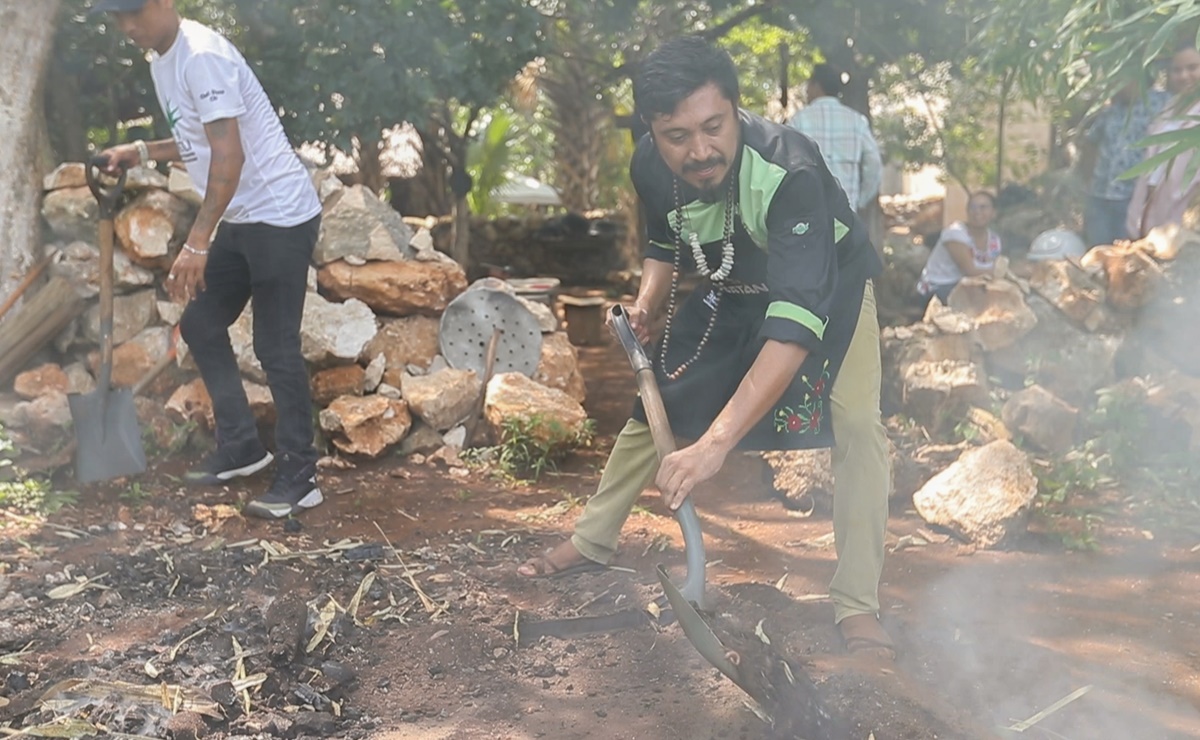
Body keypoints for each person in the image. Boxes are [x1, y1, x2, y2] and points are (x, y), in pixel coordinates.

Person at [518, 37, 894, 659]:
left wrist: (714, 445)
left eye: (713, 128)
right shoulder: (649, 165)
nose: (699, 151)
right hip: (733, 285)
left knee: (856, 419)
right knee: (659, 399)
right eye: (677, 136)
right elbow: (666, 243)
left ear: (736, 111)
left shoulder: (789, 170)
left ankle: (857, 604)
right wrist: (648, 306)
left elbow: (796, 324)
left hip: (829, 289)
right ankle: (591, 540)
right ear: (652, 130)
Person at [94, 0, 324, 519]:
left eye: (135, 13)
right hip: (245, 217)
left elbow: (230, 154)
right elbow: (198, 138)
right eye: (117, 18)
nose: (128, 27)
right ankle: (243, 447)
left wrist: (197, 242)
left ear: (165, 3)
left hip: (280, 215)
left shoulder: (202, 56)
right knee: (200, 322)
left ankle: (300, 475)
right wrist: (141, 152)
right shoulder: (164, 59)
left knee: (275, 345)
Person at [1082, 75, 1169, 247]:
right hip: (1100, 195)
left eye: (1123, 78)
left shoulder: (1162, 103)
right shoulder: (1111, 110)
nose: (1118, 85)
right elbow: (1091, 141)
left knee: (1127, 255)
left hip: (1134, 197)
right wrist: (1087, 180)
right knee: (1097, 251)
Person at [789, 63, 883, 215]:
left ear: (816, 86)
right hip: (846, 217)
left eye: (808, 85)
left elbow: (784, 165)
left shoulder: (798, 121)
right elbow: (874, 163)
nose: (806, 91)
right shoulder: (857, 122)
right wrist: (861, 200)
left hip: (809, 220)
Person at [1127, 46, 1200, 239]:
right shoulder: (1170, 106)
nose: (1184, 76)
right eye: (1177, 70)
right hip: (1151, 209)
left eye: (1193, 68)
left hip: (1185, 219)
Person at [916, 191, 1002, 304]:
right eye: (973, 207)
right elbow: (971, 271)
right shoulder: (955, 233)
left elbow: (993, 269)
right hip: (938, 286)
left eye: (983, 207)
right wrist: (1004, 271)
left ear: (993, 212)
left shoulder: (994, 240)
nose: (977, 212)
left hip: (965, 286)